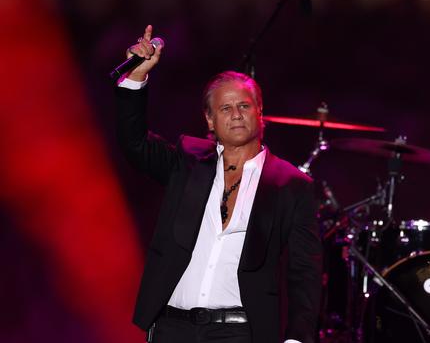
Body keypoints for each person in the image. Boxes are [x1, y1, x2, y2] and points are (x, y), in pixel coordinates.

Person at [115, 25, 322, 343]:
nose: (236, 115)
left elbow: (304, 274)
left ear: (260, 113)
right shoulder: (187, 163)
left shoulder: (291, 185)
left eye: (244, 106)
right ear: (210, 121)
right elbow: (135, 145)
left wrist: (296, 338)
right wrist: (137, 76)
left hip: (239, 332)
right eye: (225, 108)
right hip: (172, 327)